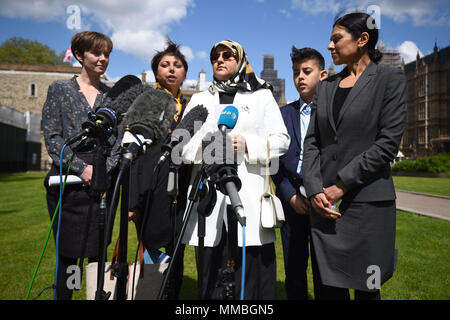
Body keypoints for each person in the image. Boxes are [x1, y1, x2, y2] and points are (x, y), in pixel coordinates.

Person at [302, 12, 406, 300]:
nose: (330, 46)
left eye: (337, 39)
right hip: (325, 206)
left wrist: (341, 185)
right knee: (329, 292)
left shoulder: (390, 79)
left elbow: (387, 144)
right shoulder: (325, 87)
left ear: (362, 40)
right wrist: (314, 191)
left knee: (367, 291)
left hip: (367, 205)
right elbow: (312, 143)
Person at [180, 40, 290, 300]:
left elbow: (281, 140)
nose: (220, 60)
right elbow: (181, 147)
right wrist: (208, 148)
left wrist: (248, 144)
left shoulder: (261, 95)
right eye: (215, 56)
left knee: (250, 277)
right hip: (209, 200)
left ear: (240, 60)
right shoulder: (199, 98)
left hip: (248, 197)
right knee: (210, 275)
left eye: (227, 55)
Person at [42, 31, 113, 300]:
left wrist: (104, 171)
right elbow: (52, 137)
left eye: (107, 54)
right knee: (70, 257)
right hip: (68, 183)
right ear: (80, 54)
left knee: (97, 255)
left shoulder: (111, 96)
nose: (103, 58)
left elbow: (116, 141)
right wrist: (83, 168)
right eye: (97, 53)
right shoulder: (60, 90)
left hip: (102, 183)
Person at [127, 39, 190, 299]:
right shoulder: (145, 102)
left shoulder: (189, 108)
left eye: (177, 65)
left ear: (185, 72)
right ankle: (151, 294)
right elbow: (131, 154)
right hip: (150, 192)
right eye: (165, 65)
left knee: (176, 255)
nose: (171, 70)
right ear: (156, 72)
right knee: (152, 252)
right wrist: (133, 201)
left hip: (181, 192)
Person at [272, 47, 327, 300]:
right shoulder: (282, 115)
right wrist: (290, 196)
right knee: (294, 270)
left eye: (307, 71)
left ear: (323, 74)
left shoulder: (335, 112)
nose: (300, 78)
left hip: (325, 200)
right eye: (296, 73)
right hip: (293, 201)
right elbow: (274, 163)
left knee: (326, 271)